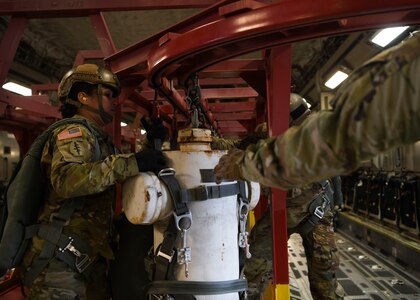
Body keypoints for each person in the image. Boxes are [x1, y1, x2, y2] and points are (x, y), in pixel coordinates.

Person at [20, 63, 167, 299]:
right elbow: (67, 180)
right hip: (59, 265)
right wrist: (135, 162)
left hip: (85, 260)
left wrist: (152, 144)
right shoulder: (73, 133)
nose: (114, 101)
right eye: (107, 94)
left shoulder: (98, 139)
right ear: (83, 97)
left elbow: (114, 170)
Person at [214, 31, 420, 189]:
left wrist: (244, 166)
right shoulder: (300, 125)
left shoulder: (410, 70)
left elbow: (334, 140)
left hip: (308, 200)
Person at [242, 94, 344, 300]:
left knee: (325, 276)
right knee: (254, 270)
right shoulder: (270, 133)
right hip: (283, 212)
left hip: (316, 213)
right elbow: (240, 144)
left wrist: (337, 200)